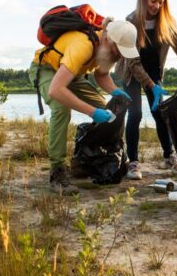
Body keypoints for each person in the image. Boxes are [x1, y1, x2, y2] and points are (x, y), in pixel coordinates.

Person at [30, 17, 139, 193]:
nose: (119, 56)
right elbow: (56, 90)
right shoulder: (82, 46)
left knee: (108, 111)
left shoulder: (107, 50)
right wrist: (92, 112)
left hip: (73, 75)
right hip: (47, 69)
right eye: (118, 51)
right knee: (61, 109)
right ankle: (57, 171)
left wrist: (115, 91)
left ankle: (85, 161)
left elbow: (101, 75)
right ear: (107, 39)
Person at [115, 0, 177, 180]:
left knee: (160, 113)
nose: (156, 6)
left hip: (155, 72)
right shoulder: (131, 22)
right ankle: (133, 162)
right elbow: (133, 62)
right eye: (153, 1)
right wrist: (150, 85)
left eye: (160, 2)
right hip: (132, 72)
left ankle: (169, 156)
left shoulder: (165, 21)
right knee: (135, 113)